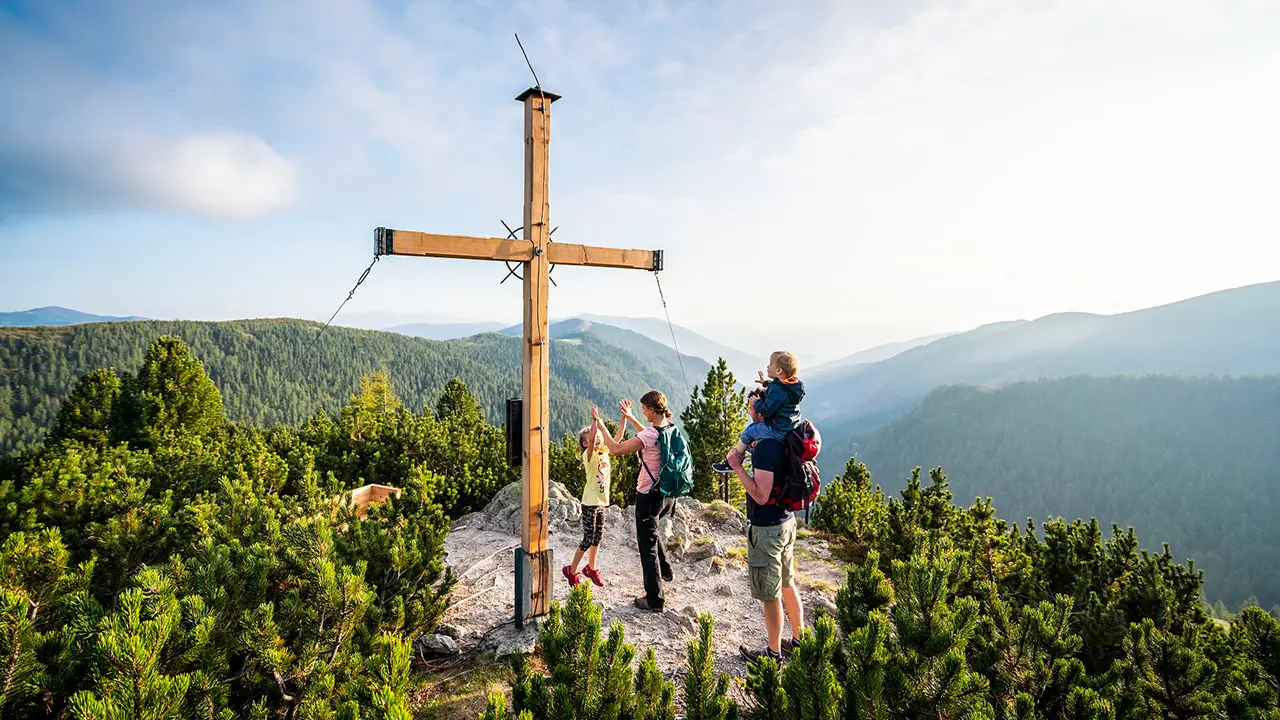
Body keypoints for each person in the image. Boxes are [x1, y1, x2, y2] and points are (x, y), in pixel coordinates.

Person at [730, 389, 805, 662]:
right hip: (787, 522)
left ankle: (773, 654)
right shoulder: (787, 437)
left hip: (767, 528)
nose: (749, 411)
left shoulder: (764, 448)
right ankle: (799, 641)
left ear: (761, 413)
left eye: (751, 407)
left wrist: (736, 466)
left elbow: (761, 494)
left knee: (771, 595)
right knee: (788, 583)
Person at [597, 390, 675, 612]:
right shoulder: (668, 427)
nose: (643, 412)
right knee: (653, 529)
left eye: (644, 410)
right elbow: (648, 434)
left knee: (646, 545)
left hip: (648, 494)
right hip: (666, 493)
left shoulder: (651, 435)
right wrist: (630, 417)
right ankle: (666, 569)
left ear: (652, 410)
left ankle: (654, 599)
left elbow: (615, 449)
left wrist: (600, 424)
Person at [562, 406, 626, 588]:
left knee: (597, 538)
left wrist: (624, 417)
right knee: (587, 539)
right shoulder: (588, 456)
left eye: (598, 437)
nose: (597, 439)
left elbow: (617, 439)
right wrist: (595, 422)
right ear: (585, 443)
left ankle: (591, 568)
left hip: (601, 503)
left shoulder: (604, 451)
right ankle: (571, 570)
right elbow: (592, 442)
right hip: (590, 503)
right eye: (592, 438)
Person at [713, 351, 805, 473]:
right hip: (789, 427)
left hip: (778, 430)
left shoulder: (777, 391)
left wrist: (756, 403)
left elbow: (767, 411)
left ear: (779, 371)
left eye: (770, 364)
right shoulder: (791, 386)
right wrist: (765, 383)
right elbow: (777, 387)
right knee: (754, 431)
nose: (767, 367)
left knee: (750, 431)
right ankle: (750, 447)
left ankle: (732, 462)